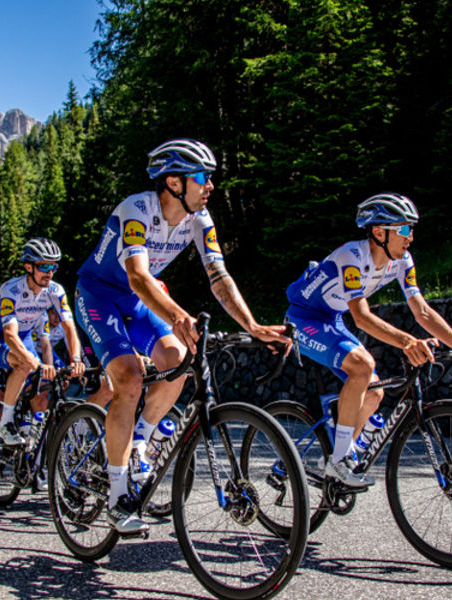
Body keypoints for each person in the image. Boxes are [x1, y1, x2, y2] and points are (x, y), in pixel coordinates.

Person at [74, 138, 291, 533]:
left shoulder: (199, 218)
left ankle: (137, 443)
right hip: (100, 295)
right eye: (202, 177)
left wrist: (253, 326)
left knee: (178, 361)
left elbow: (219, 277)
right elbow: (138, 277)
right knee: (129, 378)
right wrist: (178, 316)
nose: (210, 185)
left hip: (140, 300)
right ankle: (118, 496)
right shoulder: (135, 210)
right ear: (174, 182)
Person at [285, 192, 452, 486]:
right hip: (303, 319)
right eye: (404, 229)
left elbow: (422, 311)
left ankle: (339, 454)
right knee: (362, 365)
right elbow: (361, 317)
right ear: (379, 232)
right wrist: (408, 342)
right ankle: (339, 460)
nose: (410, 237)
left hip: (330, 320)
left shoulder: (403, 261)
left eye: (412, 229)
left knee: (375, 391)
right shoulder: (351, 256)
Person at [0, 238, 84, 447]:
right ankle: (6, 422)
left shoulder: (55, 290)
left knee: (43, 391)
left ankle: (30, 436)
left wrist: (75, 359)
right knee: (26, 365)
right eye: (43, 266)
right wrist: (34, 362)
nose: (49, 272)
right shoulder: (10, 290)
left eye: (53, 266)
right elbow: (9, 335)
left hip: (25, 336)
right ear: (29, 267)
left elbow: (69, 328)